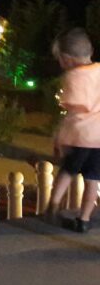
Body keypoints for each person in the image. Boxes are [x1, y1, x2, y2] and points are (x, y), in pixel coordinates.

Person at [45, 28, 100, 232]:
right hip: (99, 139)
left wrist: (59, 139)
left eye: (59, 59)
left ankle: (53, 206)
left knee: (67, 171)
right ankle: (84, 220)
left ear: (67, 59)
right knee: (93, 180)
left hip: (79, 137)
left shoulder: (73, 77)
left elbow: (71, 109)